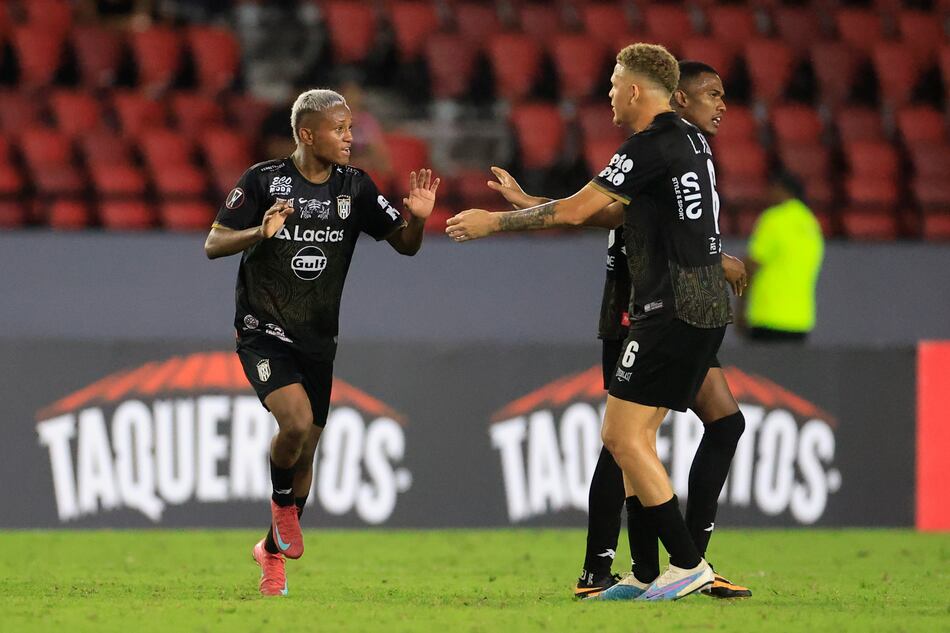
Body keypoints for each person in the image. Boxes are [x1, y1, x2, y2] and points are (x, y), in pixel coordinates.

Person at [447, 43, 729, 601]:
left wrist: (494, 223)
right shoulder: (691, 140)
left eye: (614, 84)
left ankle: (687, 564)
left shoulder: (648, 144)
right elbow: (623, 211)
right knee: (634, 438)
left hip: (670, 306)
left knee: (621, 436)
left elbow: (580, 208)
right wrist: (532, 200)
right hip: (701, 304)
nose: (609, 94)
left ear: (634, 90)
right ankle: (647, 572)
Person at [205, 88, 439, 597]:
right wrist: (260, 233)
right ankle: (282, 506)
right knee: (293, 422)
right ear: (308, 134)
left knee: (306, 452)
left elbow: (405, 245)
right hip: (262, 328)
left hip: (317, 338)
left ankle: (271, 554)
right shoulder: (263, 180)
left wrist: (419, 218)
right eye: (340, 129)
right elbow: (214, 243)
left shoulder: (355, 187)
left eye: (350, 128)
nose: (351, 137)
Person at [742, 170, 824, 342]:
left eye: (770, 189)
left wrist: (741, 308)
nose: (766, 194)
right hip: (801, 319)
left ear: (781, 189)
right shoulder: (811, 223)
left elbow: (751, 265)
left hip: (767, 316)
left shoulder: (774, 219)